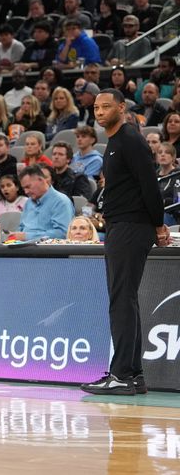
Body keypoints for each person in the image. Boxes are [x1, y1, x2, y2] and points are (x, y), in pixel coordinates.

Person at [80, 89, 170, 395]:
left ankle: (121, 374)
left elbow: (150, 184)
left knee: (121, 300)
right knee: (125, 300)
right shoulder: (115, 142)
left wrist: (159, 225)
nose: (100, 111)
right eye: (96, 107)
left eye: (107, 106)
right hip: (121, 226)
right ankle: (132, 375)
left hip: (132, 227)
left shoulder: (130, 140)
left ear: (122, 107)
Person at [9, 165, 74, 241]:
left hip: (47, 251)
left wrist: (27, 236)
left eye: (28, 187)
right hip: (23, 249)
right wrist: (14, 236)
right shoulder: (28, 202)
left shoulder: (61, 202)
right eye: (24, 188)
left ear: (41, 180)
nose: (26, 192)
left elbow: (62, 233)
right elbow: (21, 228)